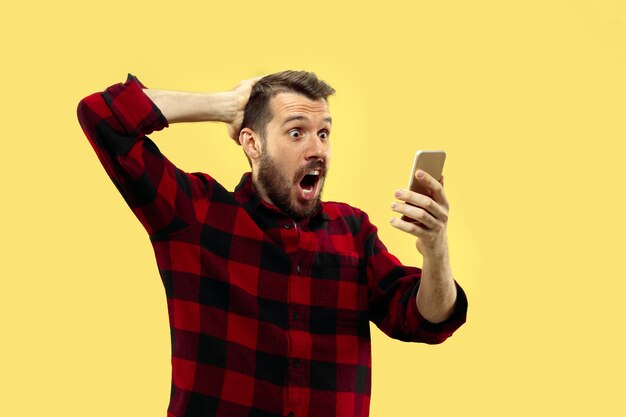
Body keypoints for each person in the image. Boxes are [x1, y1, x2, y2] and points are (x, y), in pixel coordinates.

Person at [77, 71, 468, 417]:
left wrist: (435, 248)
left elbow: (426, 320)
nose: (317, 149)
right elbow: (102, 117)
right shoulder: (196, 215)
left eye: (324, 133)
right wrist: (225, 105)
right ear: (252, 144)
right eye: (296, 132)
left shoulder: (352, 231)